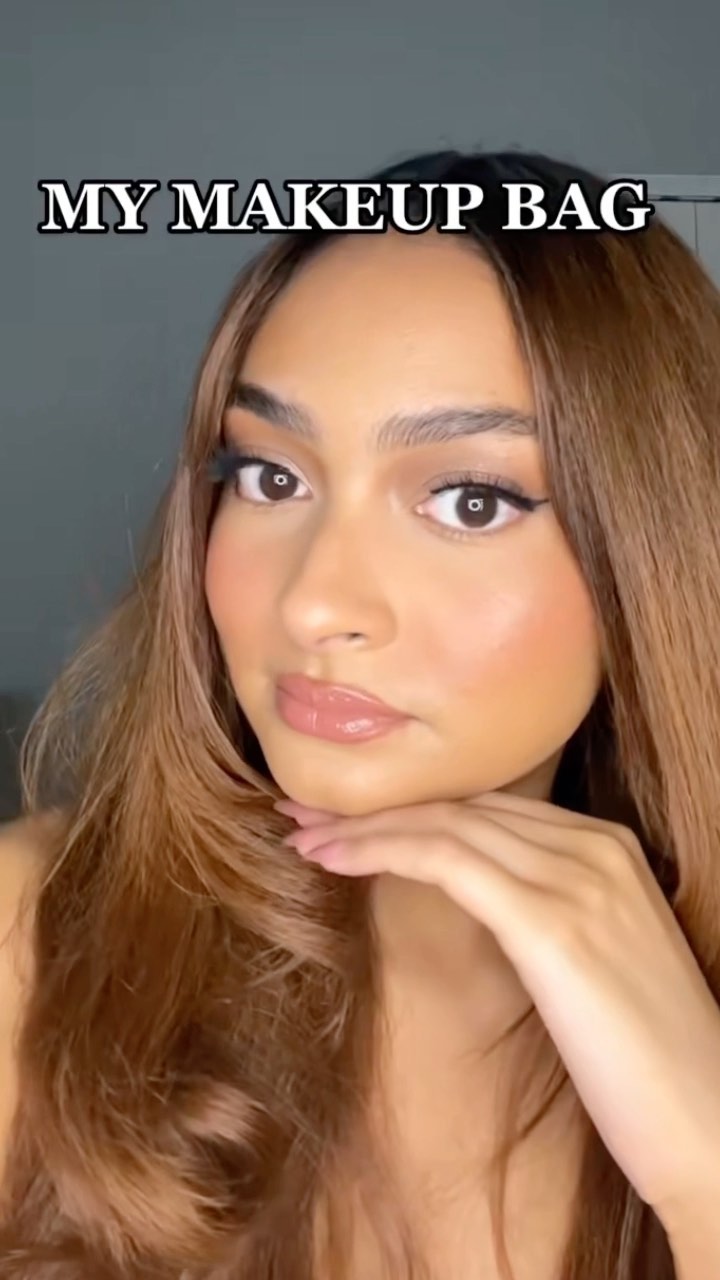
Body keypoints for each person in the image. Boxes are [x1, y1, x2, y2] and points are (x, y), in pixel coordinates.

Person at [1, 148, 719, 1280]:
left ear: (656, 546)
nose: (315, 602)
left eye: (469, 500)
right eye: (270, 477)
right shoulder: (31, 939)